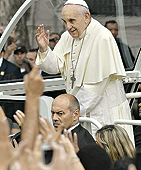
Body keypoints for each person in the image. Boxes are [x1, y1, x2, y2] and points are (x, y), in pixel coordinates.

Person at [35, 0, 133, 137]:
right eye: (64, 22)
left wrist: (70, 112)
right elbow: (55, 66)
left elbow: (94, 88)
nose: (68, 27)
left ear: (86, 17)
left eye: (72, 21)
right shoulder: (67, 36)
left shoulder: (102, 37)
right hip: (79, 111)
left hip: (102, 111)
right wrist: (44, 49)